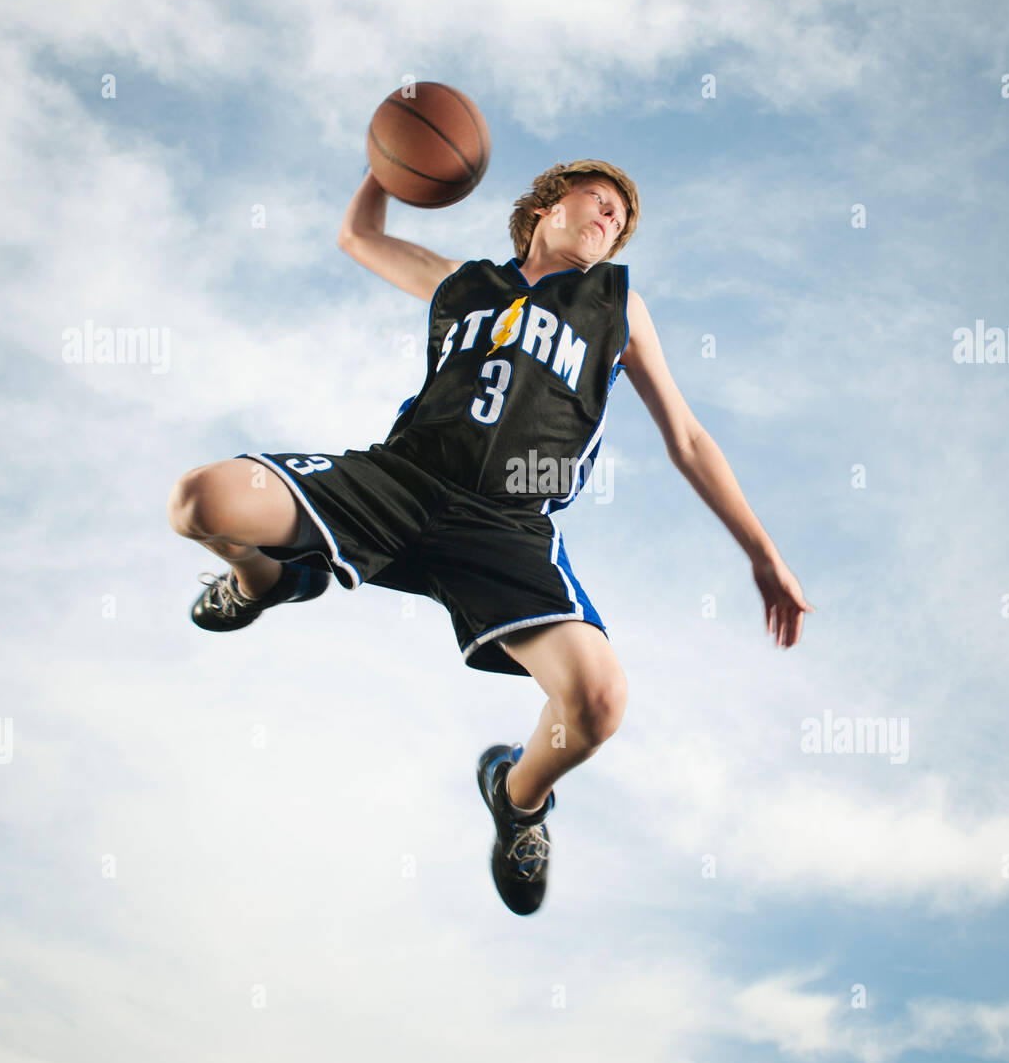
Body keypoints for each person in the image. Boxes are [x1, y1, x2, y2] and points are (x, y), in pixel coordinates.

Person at [166, 159, 813, 916]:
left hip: (506, 524)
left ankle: (518, 797)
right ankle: (265, 580)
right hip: (400, 482)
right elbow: (358, 235)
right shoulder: (463, 282)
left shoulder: (617, 305)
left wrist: (763, 555)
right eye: (596, 201)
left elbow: (689, 439)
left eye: (620, 219)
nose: (610, 219)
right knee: (197, 502)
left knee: (599, 702)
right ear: (545, 205)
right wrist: (387, 162)